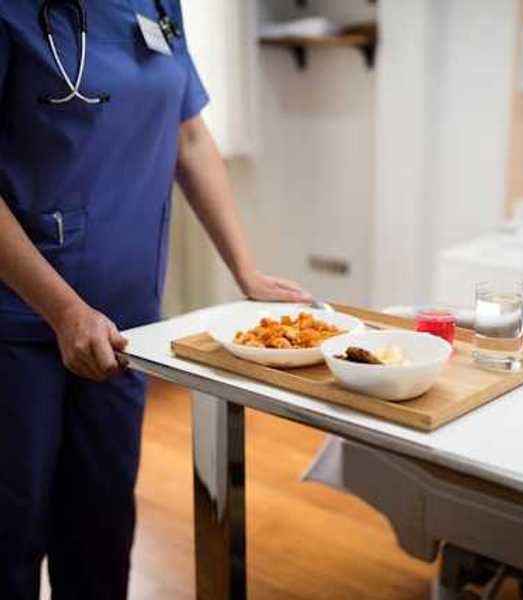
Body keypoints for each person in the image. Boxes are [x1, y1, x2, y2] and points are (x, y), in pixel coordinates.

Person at [0, 1, 311, 598]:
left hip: (124, 322)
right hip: (19, 318)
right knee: (11, 526)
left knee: (102, 522)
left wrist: (246, 271)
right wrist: (64, 309)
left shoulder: (156, 2)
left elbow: (188, 135)